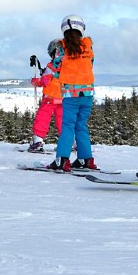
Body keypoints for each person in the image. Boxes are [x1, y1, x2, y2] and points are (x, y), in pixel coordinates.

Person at [49, 15, 96, 171]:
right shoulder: (88, 47)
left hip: (70, 94)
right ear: (82, 28)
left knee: (68, 125)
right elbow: (91, 64)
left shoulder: (61, 49)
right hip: (88, 93)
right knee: (81, 126)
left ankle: (62, 160)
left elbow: (56, 68)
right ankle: (85, 159)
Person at [27, 39, 63, 153]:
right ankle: (70, 142)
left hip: (50, 97)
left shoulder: (52, 65)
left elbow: (45, 80)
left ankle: (37, 141)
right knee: (63, 120)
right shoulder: (67, 65)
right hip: (64, 97)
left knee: (43, 117)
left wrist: (35, 81)